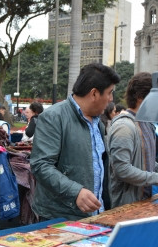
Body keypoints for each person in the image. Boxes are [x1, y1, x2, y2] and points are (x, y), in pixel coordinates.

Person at [31, 63, 120, 221]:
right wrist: (75, 192)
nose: (111, 99)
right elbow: (41, 165)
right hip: (60, 217)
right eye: (109, 92)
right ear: (94, 94)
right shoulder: (54, 117)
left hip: (94, 216)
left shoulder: (98, 123)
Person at [108, 72, 158, 209]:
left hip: (144, 203)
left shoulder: (147, 123)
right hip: (126, 207)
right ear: (140, 97)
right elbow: (122, 169)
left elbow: (146, 160)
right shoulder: (124, 127)